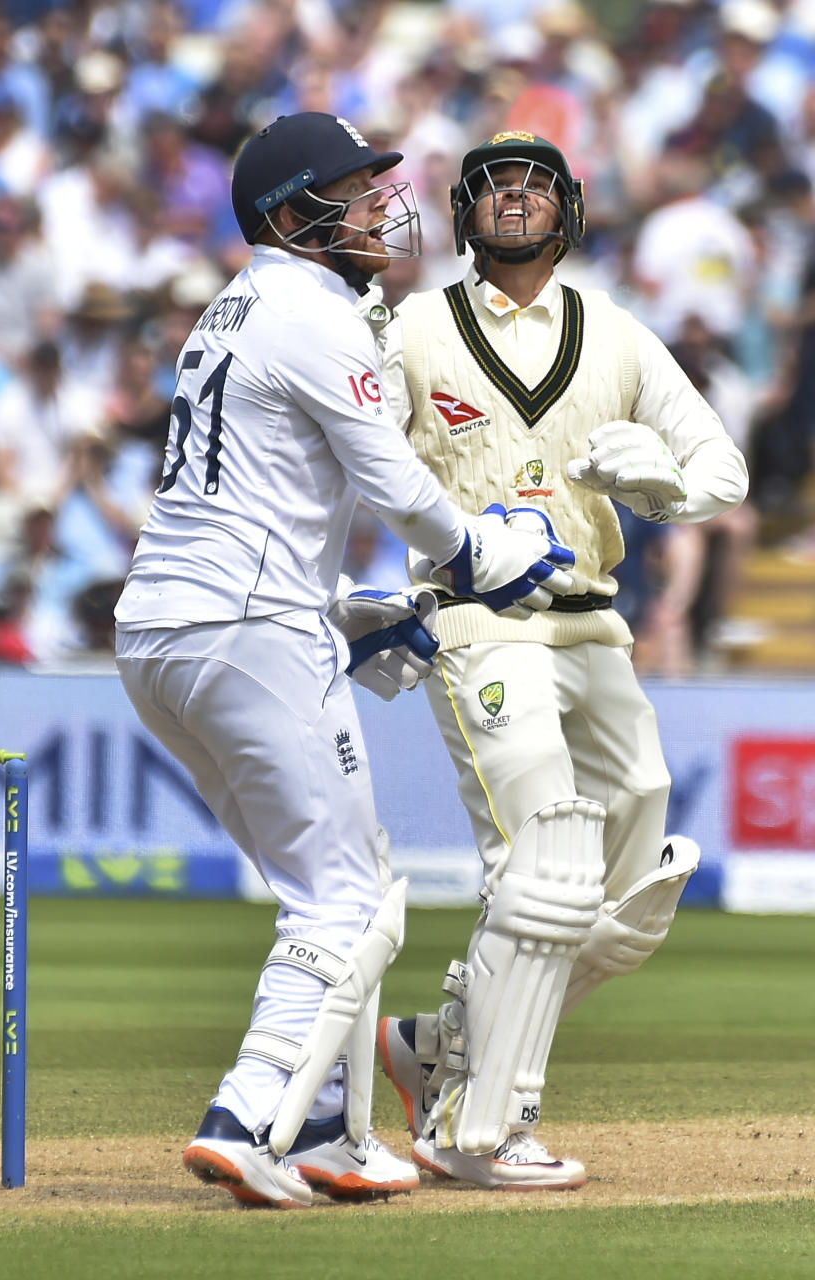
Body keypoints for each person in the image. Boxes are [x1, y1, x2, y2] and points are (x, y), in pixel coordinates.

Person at [114, 112, 575, 1210]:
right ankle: (250, 1117)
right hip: (244, 623)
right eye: (355, 192)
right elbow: (398, 488)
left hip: (169, 628)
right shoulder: (309, 309)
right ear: (289, 214)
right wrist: (483, 549)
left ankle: (324, 1125)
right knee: (350, 902)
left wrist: (345, 612)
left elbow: (255, 493)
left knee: (335, 880)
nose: (380, 209)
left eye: (378, 188)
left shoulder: (235, 308)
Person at [371, 131, 749, 1190]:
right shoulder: (415, 331)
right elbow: (352, 457)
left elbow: (723, 460)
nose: (516, 201)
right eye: (494, 187)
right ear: (463, 214)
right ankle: (482, 1121)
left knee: (629, 891)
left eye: (536, 184)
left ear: (570, 208)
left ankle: (440, 1042)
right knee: (541, 861)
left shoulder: (617, 334)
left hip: (595, 623)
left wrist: (670, 488)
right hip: (480, 620)